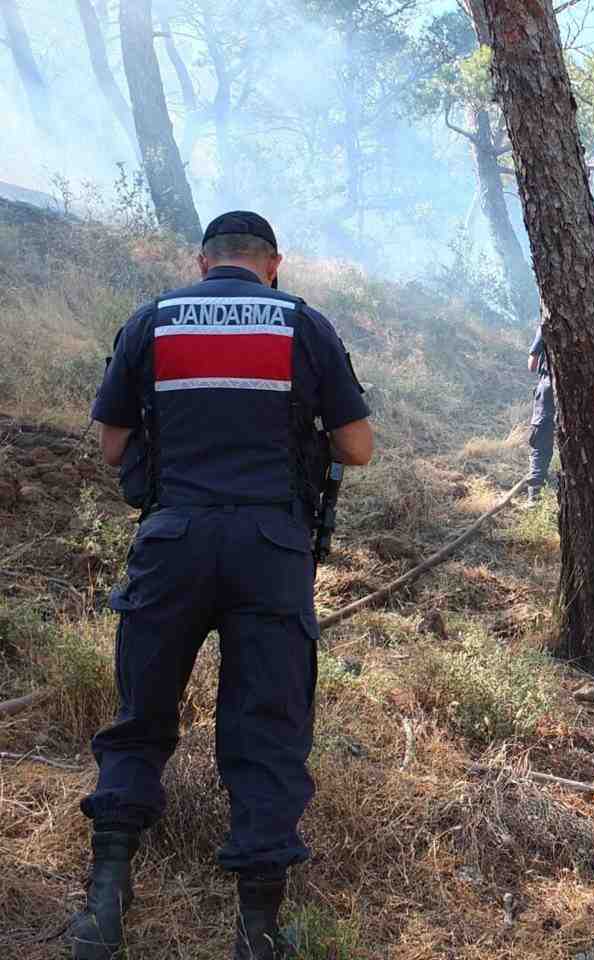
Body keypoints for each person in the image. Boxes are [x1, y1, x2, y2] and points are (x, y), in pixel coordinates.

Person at [72, 212, 374, 960]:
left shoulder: (154, 320)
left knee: (140, 712)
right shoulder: (302, 323)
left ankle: (105, 903)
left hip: (171, 540)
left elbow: (113, 446)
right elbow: (358, 448)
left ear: (203, 261)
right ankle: (257, 931)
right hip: (271, 547)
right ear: (272, 263)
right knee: (268, 724)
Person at [525, 323, 555, 507]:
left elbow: (532, 365)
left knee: (541, 444)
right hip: (578, 394)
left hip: (548, 390)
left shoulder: (546, 325)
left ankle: (534, 498)